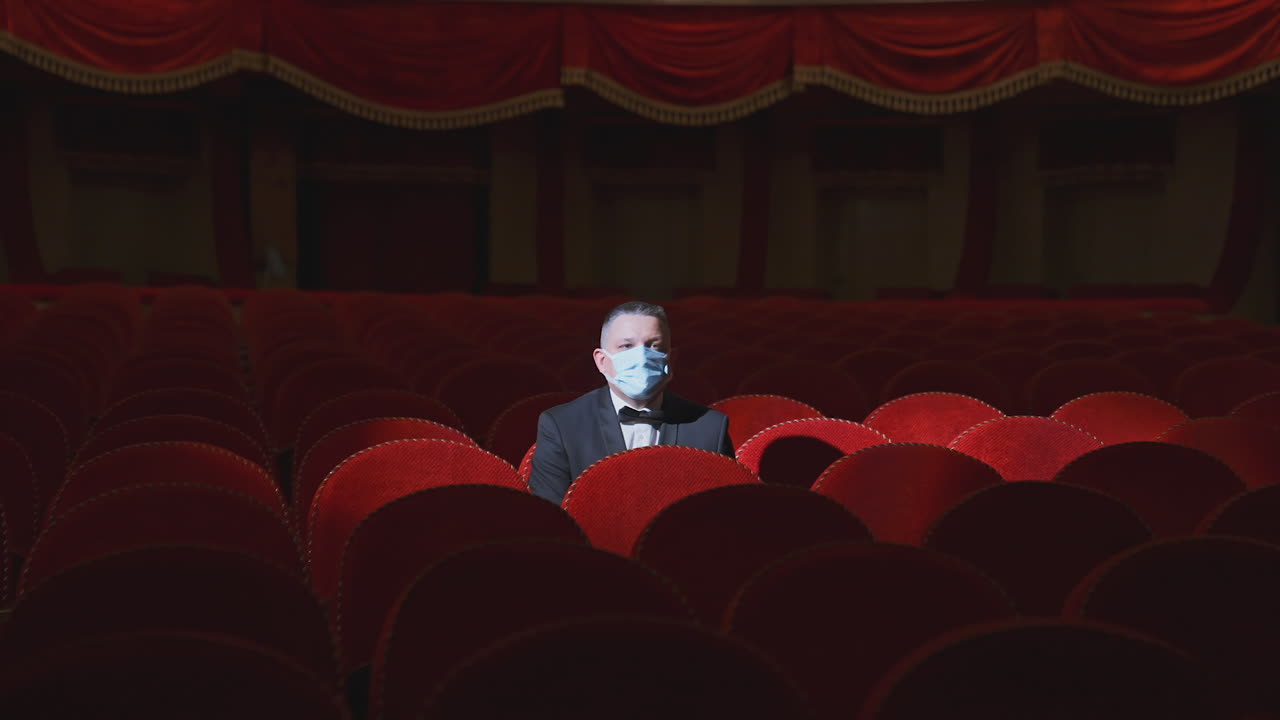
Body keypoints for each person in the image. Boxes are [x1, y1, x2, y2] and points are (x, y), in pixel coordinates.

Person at [528, 301, 734, 504]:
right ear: (602, 361)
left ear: (671, 360)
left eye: (654, 346)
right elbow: (552, 518)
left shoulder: (711, 428)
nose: (642, 357)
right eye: (626, 346)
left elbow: (718, 516)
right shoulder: (562, 426)